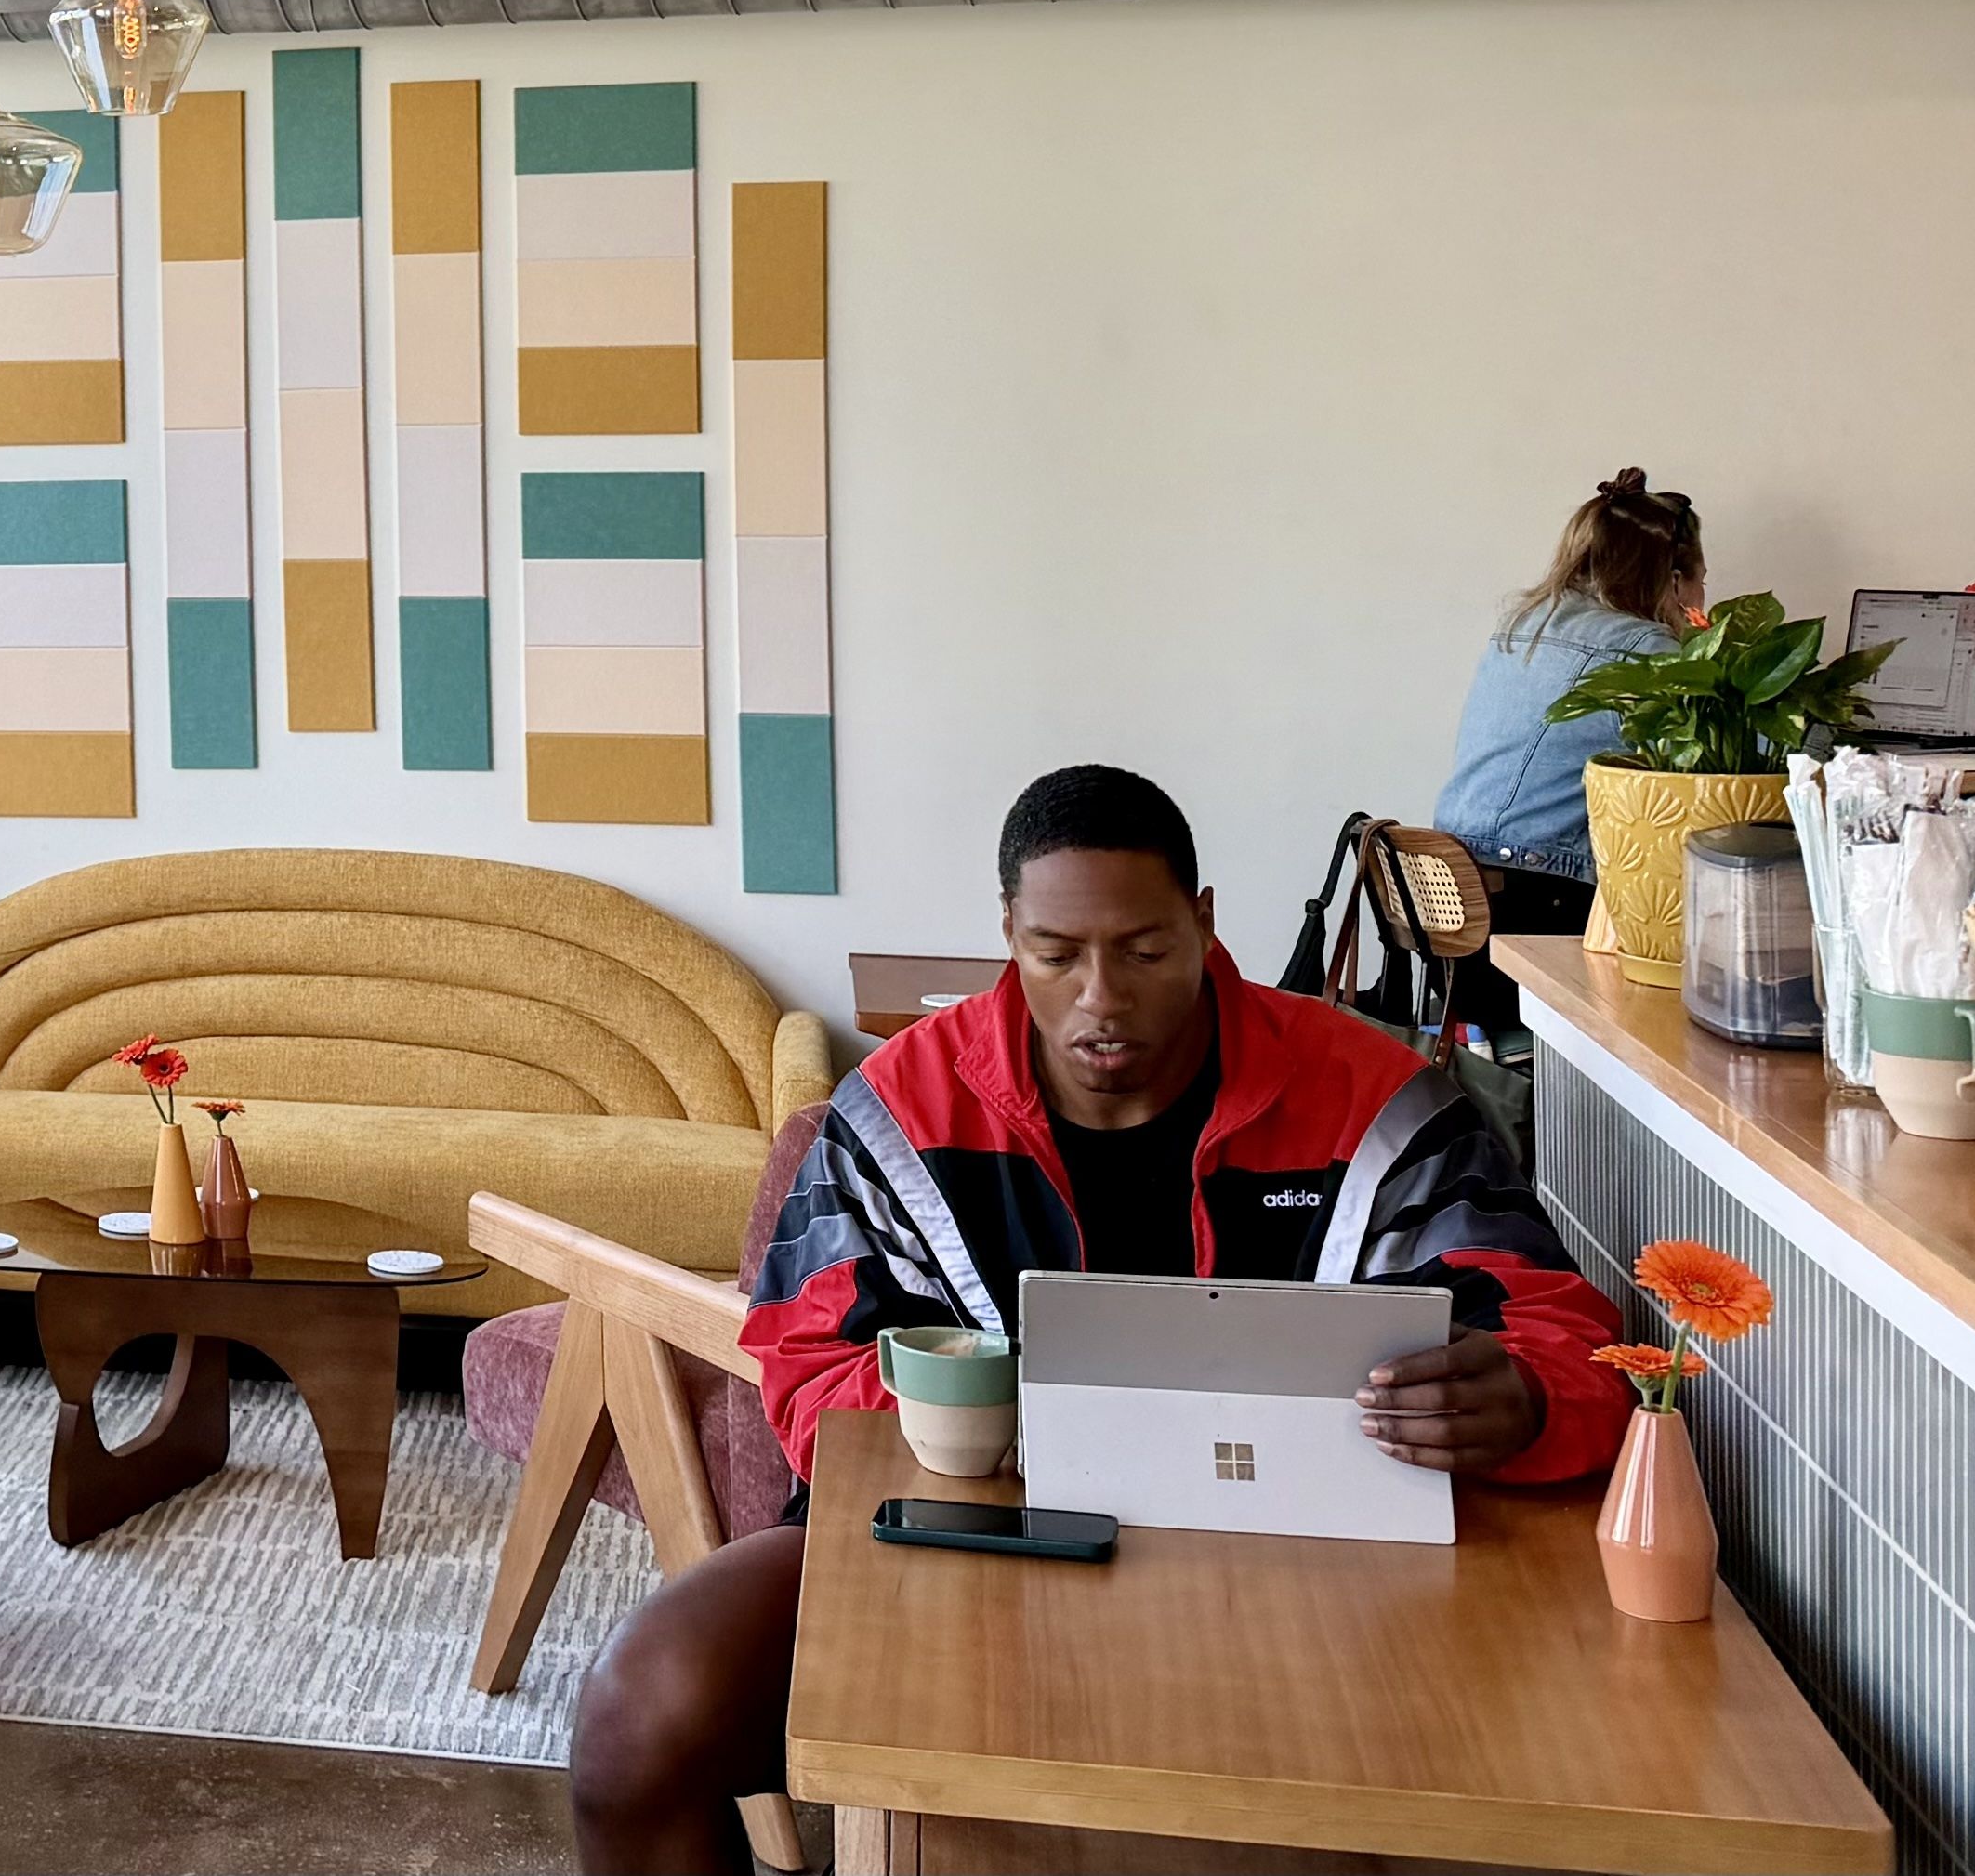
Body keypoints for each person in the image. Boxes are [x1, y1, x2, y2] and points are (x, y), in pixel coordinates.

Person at [564, 766, 1621, 1876]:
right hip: (950, 1541)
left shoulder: (1373, 1098)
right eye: (1057, 956)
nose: (1101, 997)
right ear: (1009, 933)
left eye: (1146, 950)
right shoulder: (900, 1107)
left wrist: (1527, 1393)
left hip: (1295, 1565)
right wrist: (999, 1427)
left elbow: (1558, 1324)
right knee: (638, 1720)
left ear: (1204, 924)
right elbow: (808, 1358)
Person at [1432, 467, 1708, 921]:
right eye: (1702, 581)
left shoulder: (1526, 624)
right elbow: (1705, 764)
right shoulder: (1642, 647)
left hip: (1450, 874)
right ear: (1675, 582)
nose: (1702, 598)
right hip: (1534, 883)